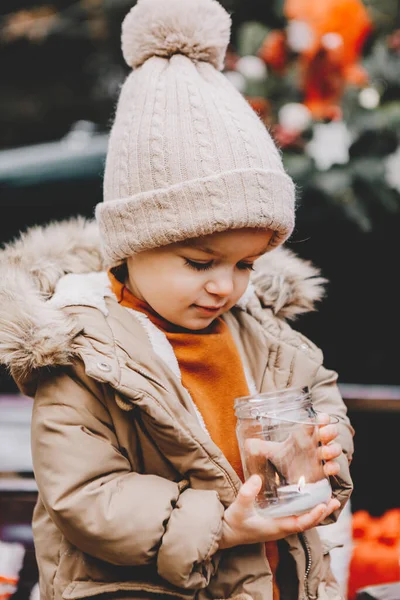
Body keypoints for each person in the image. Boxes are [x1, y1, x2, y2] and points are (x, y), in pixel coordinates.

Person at [0, 0, 354, 598]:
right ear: (132, 246)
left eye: (246, 264)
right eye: (199, 263)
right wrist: (222, 524)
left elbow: (321, 400)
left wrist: (322, 447)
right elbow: (86, 495)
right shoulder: (82, 352)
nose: (225, 285)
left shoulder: (264, 335)